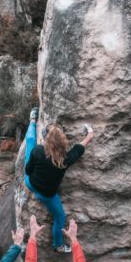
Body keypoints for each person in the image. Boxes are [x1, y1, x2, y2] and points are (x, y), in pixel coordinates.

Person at [23, 107, 94, 253]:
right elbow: (79, 148)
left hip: (31, 184)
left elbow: (28, 171)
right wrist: (90, 135)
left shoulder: (37, 151)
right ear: (62, 142)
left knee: (30, 141)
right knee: (60, 217)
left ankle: (32, 120)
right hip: (47, 195)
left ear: (46, 140)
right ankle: (58, 245)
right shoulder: (66, 160)